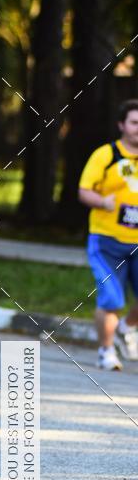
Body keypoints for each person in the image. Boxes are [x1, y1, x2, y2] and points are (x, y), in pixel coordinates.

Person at [79, 99, 138, 370]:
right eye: (134, 123)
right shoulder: (106, 155)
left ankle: (126, 328)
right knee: (112, 298)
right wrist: (103, 202)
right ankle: (106, 351)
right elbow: (84, 191)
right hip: (106, 241)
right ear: (122, 125)